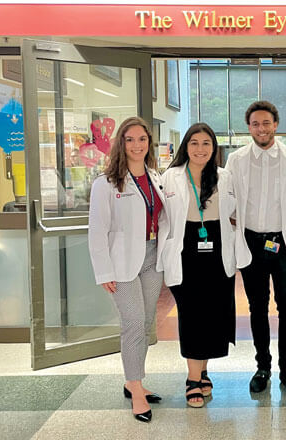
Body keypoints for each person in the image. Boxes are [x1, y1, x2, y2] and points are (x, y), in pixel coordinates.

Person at [88, 116, 169, 423]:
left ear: (150, 143)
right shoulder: (106, 183)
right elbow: (97, 231)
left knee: (146, 321)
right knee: (133, 322)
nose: (137, 145)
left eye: (142, 139)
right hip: (121, 263)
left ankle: (133, 380)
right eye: (130, 139)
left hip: (151, 257)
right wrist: (103, 271)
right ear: (120, 143)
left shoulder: (155, 176)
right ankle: (136, 390)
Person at [225, 100, 286, 395]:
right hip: (251, 242)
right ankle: (263, 366)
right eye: (256, 124)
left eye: (266, 123)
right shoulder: (236, 160)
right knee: (257, 307)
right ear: (249, 127)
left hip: (285, 244)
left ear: (276, 125)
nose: (261, 128)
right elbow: (228, 197)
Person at [161, 123, 236, 408]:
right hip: (185, 247)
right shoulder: (171, 177)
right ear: (186, 146)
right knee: (191, 313)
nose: (200, 149)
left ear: (214, 148)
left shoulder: (224, 176)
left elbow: (234, 211)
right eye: (194, 143)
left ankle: (203, 370)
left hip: (217, 247)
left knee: (214, 312)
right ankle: (193, 379)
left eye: (206, 143)